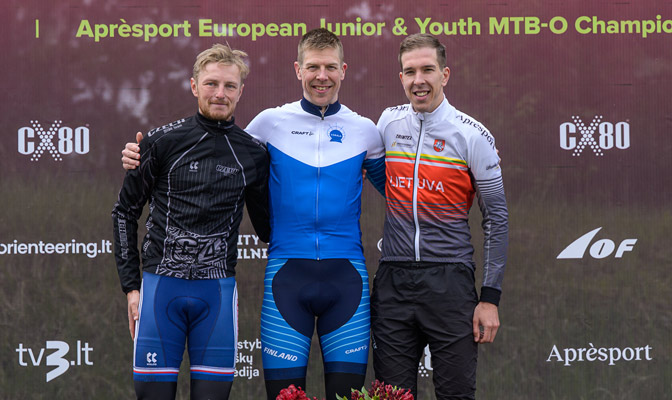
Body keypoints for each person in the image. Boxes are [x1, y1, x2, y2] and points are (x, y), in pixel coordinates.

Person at [121, 29, 386, 400]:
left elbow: (402, 193)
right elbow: (217, 151)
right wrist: (141, 155)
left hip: (347, 280)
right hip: (286, 279)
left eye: (330, 67)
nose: (321, 75)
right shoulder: (268, 124)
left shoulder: (366, 131)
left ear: (343, 70)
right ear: (298, 69)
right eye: (313, 67)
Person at [111, 43, 270, 400]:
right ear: (195, 86)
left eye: (229, 86)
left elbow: (268, 229)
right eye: (211, 84)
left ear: (241, 91)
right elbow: (124, 212)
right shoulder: (160, 142)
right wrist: (131, 288)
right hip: (159, 291)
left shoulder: (254, 154)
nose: (220, 93)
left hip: (216, 295)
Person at [371, 33, 509, 400]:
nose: (418, 80)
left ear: (445, 74)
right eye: (410, 71)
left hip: (450, 280)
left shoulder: (472, 134)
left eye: (427, 70)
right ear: (401, 77)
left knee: (456, 394)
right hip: (394, 279)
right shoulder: (387, 123)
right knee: (390, 397)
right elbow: (379, 177)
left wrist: (489, 298)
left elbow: (496, 218)